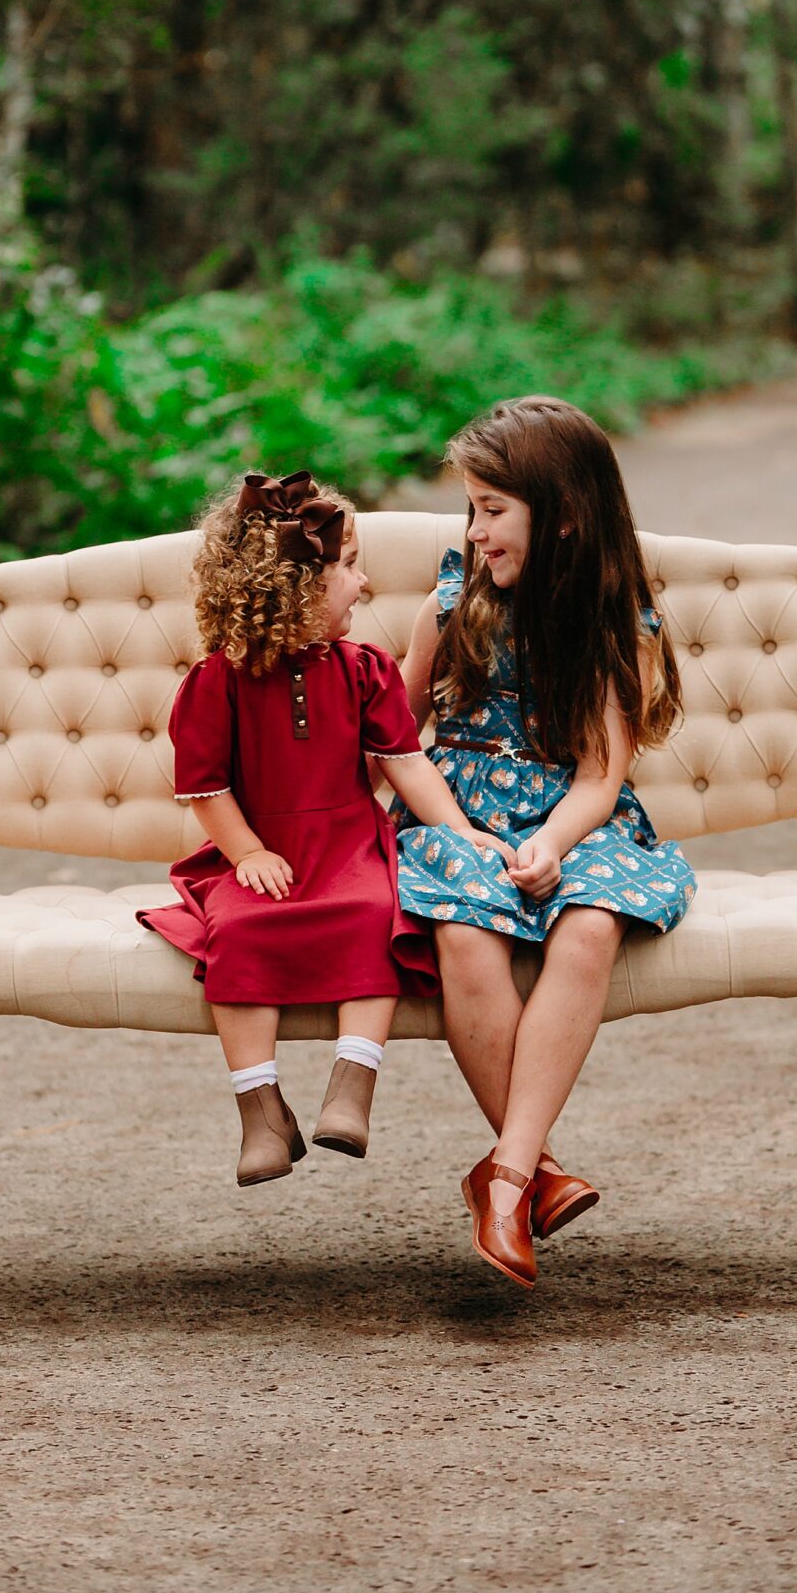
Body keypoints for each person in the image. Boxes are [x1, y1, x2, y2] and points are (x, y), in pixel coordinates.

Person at [392, 396, 697, 1290]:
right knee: (463, 926)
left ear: (562, 514)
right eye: (472, 510)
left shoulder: (616, 624)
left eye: (495, 510)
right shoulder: (452, 605)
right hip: (459, 818)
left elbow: (602, 778)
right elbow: (396, 735)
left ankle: (509, 1174)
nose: (478, 531)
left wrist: (554, 844)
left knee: (594, 919)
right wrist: (461, 826)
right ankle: (537, 1173)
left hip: (580, 821)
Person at [138, 469, 511, 1188]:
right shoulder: (221, 680)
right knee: (237, 932)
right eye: (346, 567)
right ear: (296, 589)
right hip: (265, 850)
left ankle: (352, 1083)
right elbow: (207, 788)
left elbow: (405, 764)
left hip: (347, 846)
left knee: (378, 914)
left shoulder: (364, 669)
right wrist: (245, 852)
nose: (363, 582)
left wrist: (463, 832)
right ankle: (259, 1107)